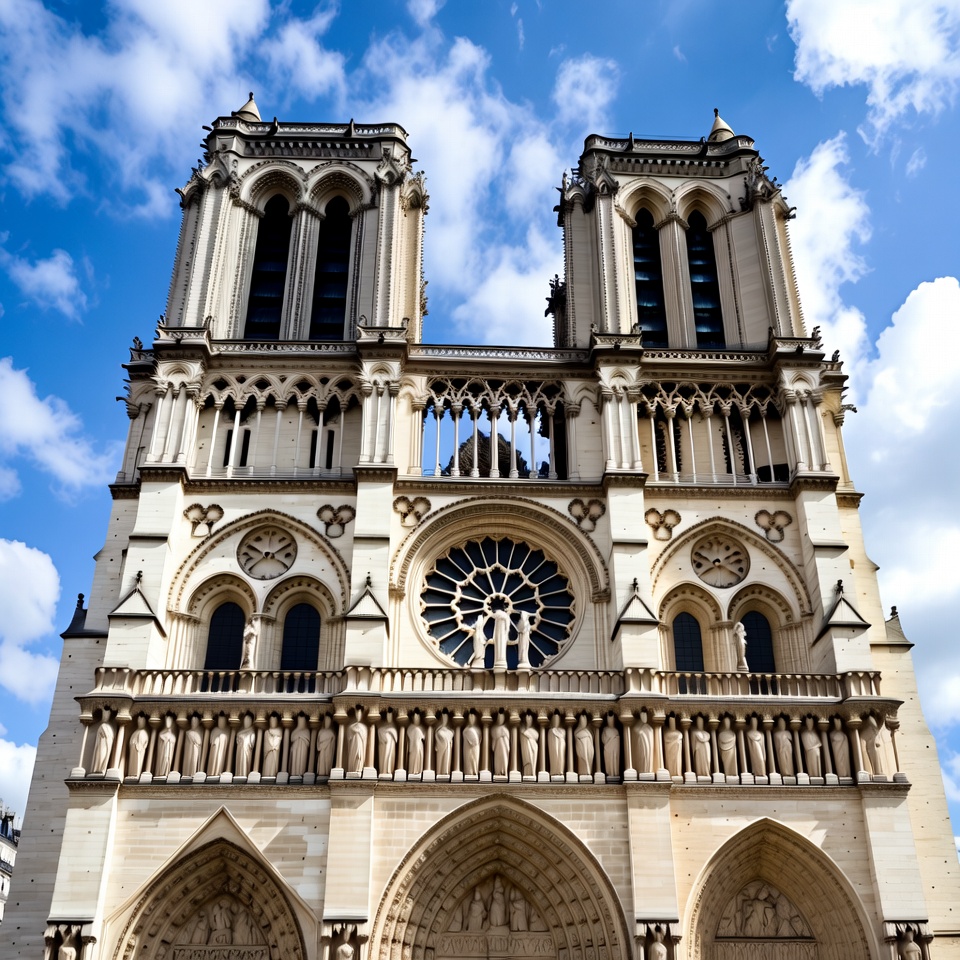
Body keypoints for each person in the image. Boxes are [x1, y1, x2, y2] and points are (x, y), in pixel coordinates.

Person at [92, 707, 115, 774]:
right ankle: (98, 769)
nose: (105, 717)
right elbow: (106, 735)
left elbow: (110, 737)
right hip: (102, 744)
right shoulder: (102, 725)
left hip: (107, 744)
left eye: (107, 715)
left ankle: (102, 769)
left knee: (105, 756)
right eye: (104, 715)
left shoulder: (110, 727)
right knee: (101, 755)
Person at [347, 707, 367, 774]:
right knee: (353, 756)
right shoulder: (351, 727)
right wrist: (354, 731)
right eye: (357, 714)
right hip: (353, 745)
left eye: (359, 714)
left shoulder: (363, 727)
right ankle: (352, 769)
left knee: (359, 756)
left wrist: (359, 731)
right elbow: (349, 738)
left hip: (360, 744)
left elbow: (364, 737)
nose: (358, 716)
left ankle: (359, 769)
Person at [379, 710, 398, 775]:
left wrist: (390, 731)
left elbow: (396, 739)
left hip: (391, 746)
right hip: (384, 746)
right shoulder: (382, 726)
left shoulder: (394, 727)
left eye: (390, 716)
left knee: (390, 755)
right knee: (384, 756)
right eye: (388, 716)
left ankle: (389, 770)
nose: (389, 718)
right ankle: (383, 770)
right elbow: (380, 731)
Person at [634, 710, 654, 774]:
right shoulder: (636, 727)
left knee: (648, 756)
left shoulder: (649, 728)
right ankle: (642, 770)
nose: (645, 718)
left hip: (649, 747)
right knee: (642, 757)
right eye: (643, 715)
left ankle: (648, 769)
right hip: (640, 747)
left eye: (646, 716)